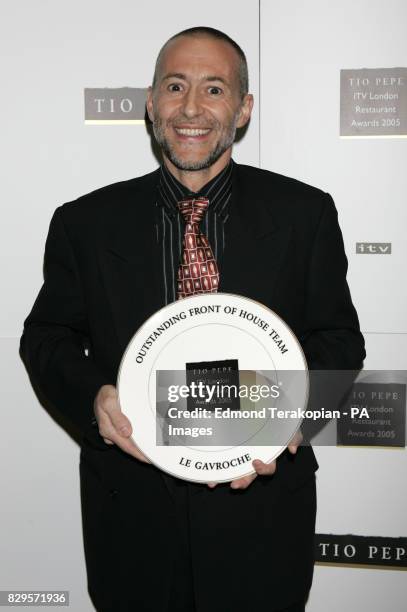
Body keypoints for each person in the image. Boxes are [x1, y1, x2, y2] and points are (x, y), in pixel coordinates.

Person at [20, 26, 365, 612]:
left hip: (262, 516)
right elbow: (46, 337)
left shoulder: (305, 214)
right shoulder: (85, 222)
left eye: (214, 89)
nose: (191, 109)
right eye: (175, 86)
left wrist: (290, 422)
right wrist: (94, 401)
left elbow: (338, 340)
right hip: (130, 521)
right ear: (151, 104)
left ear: (243, 108)